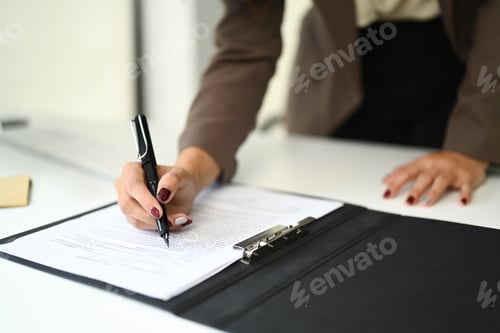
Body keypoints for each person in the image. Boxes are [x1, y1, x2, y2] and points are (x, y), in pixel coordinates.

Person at [115, 0, 499, 231]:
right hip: (338, 76)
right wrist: (191, 170)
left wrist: (472, 143)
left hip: (471, 72)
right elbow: (244, 47)